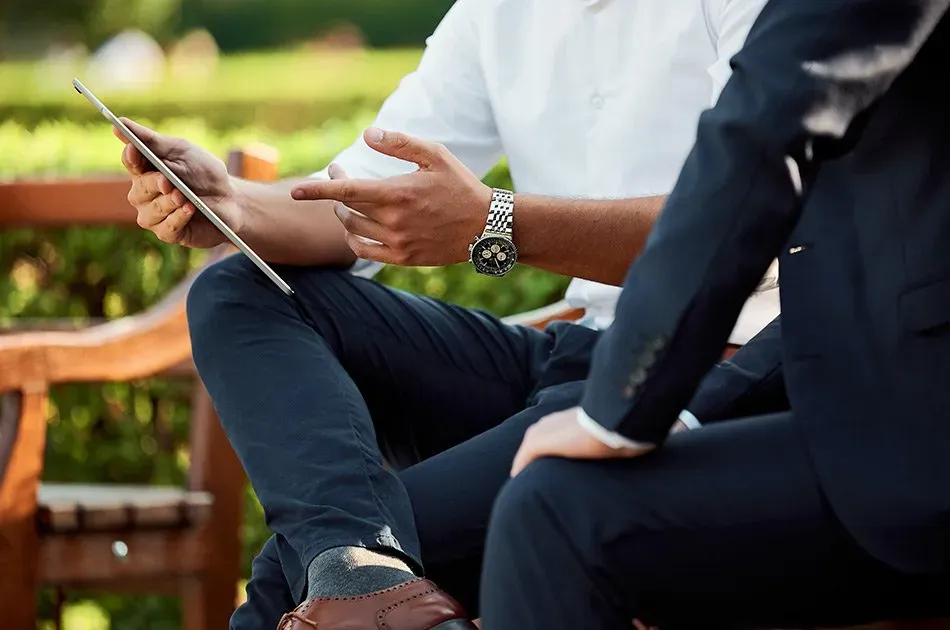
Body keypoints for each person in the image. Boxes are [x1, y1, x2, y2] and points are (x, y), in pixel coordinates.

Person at [115, 0, 775, 627]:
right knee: (237, 292)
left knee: (291, 585)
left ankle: (356, 573)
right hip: (575, 353)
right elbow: (359, 200)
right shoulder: (495, 14)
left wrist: (498, 223)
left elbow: (742, 223)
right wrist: (229, 203)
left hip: (712, 372)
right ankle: (359, 566)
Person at [479, 1, 950, 628]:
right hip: (859, 405)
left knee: (555, 513)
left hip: (915, 439)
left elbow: (758, 134)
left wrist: (618, 409)